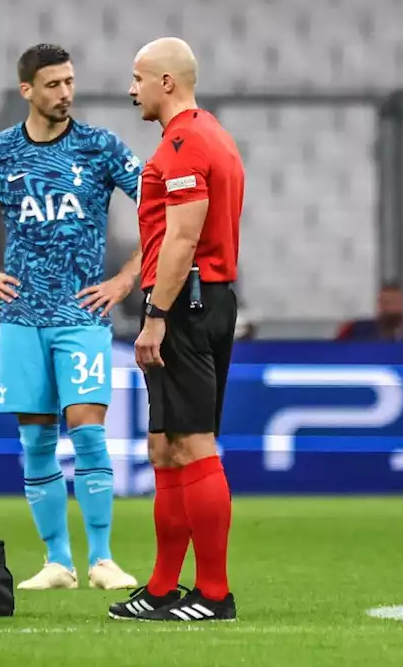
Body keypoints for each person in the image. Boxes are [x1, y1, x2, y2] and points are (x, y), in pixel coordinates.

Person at [0, 43, 142, 592]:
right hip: (21, 317)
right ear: (27, 90)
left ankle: (103, 559)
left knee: (89, 435)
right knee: (36, 442)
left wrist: (124, 281)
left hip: (82, 314)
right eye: (53, 84)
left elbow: (161, 213)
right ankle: (57, 562)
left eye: (69, 82)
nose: (65, 93)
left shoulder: (100, 148)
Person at [110, 37, 244, 622]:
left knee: (192, 443)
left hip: (186, 305)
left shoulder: (187, 145)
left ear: (167, 81)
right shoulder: (203, 136)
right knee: (163, 447)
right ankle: (164, 588)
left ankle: (214, 594)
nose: (131, 88)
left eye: (139, 77)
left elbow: (183, 239)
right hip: (196, 300)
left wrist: (155, 318)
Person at [336, 282, 403, 341]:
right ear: (379, 305)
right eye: (386, 302)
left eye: (395, 302)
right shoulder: (356, 331)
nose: (390, 307)